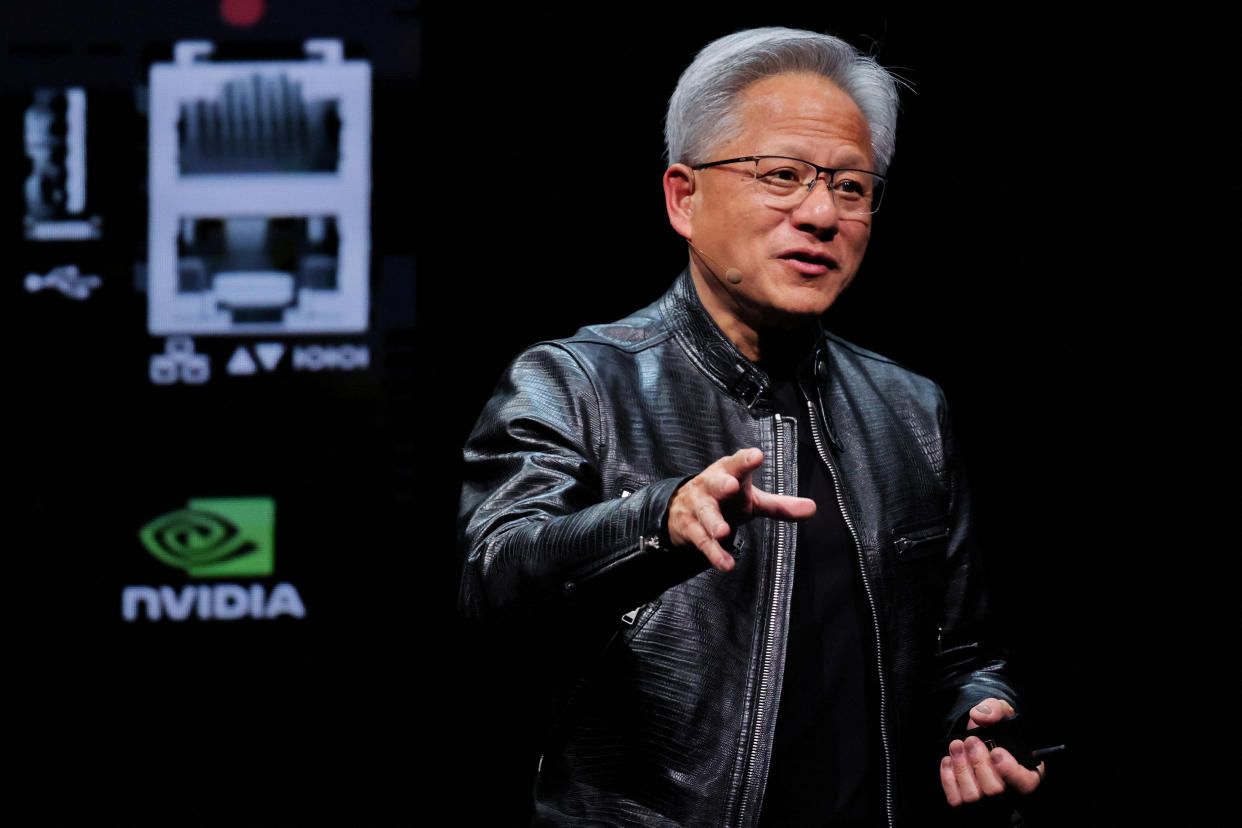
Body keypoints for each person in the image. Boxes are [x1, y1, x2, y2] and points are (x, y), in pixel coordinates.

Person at [459, 26, 1044, 826]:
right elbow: (494, 585)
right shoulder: (578, 380)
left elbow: (962, 651)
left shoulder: (912, 409)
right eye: (783, 176)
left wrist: (978, 718)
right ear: (684, 197)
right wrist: (655, 521)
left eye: (850, 186)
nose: (820, 213)